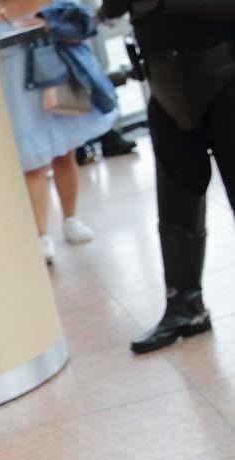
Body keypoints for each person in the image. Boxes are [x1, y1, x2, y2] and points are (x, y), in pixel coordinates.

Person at [99, 0, 233, 353]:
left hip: (225, 75)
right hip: (165, 84)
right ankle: (184, 306)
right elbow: (112, 8)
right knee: (176, 198)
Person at [0, 0, 119, 264]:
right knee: (34, 168)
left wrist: (50, 25)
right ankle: (41, 234)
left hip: (53, 90)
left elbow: (83, 22)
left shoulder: (51, 3)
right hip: (16, 101)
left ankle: (70, 218)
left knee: (65, 156)